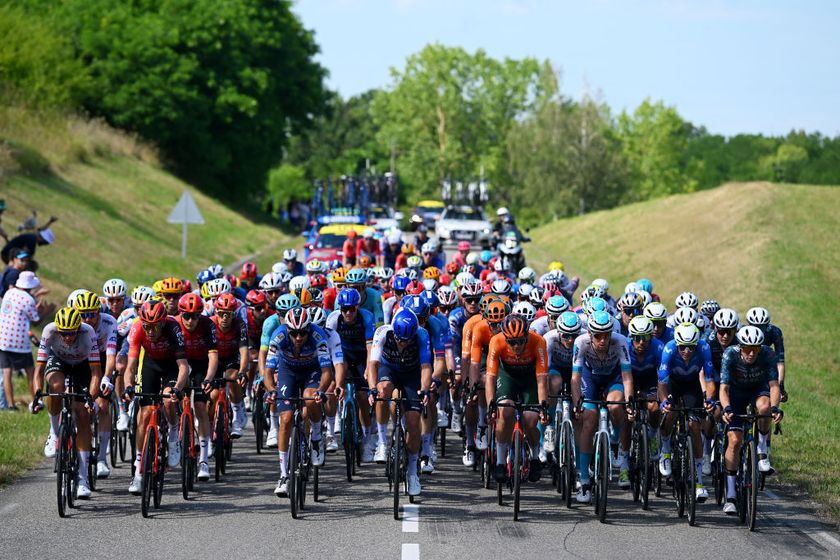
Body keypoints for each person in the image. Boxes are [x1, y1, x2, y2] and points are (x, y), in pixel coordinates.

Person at [32, 307, 102, 499]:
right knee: (55, 387)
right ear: (58, 329)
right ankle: (54, 432)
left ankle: (82, 478)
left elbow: (96, 372)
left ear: (78, 329)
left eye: (72, 332)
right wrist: (37, 395)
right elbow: (38, 371)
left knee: (82, 413)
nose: (68, 337)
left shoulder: (88, 332)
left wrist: (91, 398)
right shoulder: (49, 331)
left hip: (82, 365)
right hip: (59, 361)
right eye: (64, 333)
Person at [262, 308, 332, 497]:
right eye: (294, 333)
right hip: (288, 371)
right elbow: (268, 372)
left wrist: (321, 391)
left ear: (309, 329)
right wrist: (270, 390)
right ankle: (284, 475)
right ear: (288, 329)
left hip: (312, 371)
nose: (299, 337)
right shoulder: (279, 336)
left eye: (303, 332)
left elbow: (327, 372)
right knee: (285, 419)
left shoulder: (318, 335)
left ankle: (317, 437)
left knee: (310, 398)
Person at [123, 300, 190, 495]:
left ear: (162, 322)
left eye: (155, 326)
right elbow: (131, 366)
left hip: (171, 365)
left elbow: (183, 366)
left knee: (168, 400)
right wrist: (128, 386)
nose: (151, 331)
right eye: (147, 326)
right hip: (151, 365)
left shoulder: (173, 328)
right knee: (145, 415)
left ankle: (173, 436)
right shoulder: (137, 329)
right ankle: (138, 469)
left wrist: (178, 388)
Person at [366, 308, 433, 497]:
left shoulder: (421, 334)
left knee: (413, 421)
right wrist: (372, 388)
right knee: (383, 389)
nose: (402, 344)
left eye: (407, 340)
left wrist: (425, 389)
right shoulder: (383, 333)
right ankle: (382, 441)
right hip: (390, 369)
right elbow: (373, 364)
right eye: (399, 340)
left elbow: (426, 366)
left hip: (412, 373)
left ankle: (413, 472)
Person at [571, 310, 634, 503]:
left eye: (606, 335)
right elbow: (575, 378)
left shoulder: (620, 341)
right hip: (591, 378)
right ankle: (584, 480)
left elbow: (627, 377)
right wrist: (577, 404)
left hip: (613, 377)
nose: (602, 340)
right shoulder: (580, 342)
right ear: (590, 333)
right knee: (589, 419)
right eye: (597, 335)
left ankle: (614, 441)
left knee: (616, 406)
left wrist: (629, 403)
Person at [719, 325, 783, 514]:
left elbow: (774, 385)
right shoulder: (730, 354)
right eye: (747, 348)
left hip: (758, 389)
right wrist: (727, 408)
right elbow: (724, 388)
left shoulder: (768, 354)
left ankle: (761, 450)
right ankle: (730, 495)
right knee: (735, 441)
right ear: (740, 347)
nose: (751, 353)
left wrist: (775, 408)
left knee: (764, 407)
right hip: (736, 394)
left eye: (755, 349)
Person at [486, 315, 550, 483]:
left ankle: (535, 457)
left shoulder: (538, 342)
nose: (517, 346)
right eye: (512, 342)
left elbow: (542, 379)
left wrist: (543, 407)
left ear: (527, 336)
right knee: (505, 411)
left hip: (530, 380)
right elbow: (491, 377)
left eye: (521, 341)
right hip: (507, 377)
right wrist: (491, 405)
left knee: (530, 420)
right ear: (505, 339)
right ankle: (500, 462)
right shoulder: (497, 341)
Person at [657, 322, 716, 503]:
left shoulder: (704, 347)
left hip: (692, 386)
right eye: (683, 347)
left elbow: (709, 379)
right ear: (677, 343)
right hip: (672, 383)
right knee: (671, 412)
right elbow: (661, 383)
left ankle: (698, 481)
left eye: (691, 347)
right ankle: (666, 449)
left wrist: (709, 400)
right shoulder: (669, 349)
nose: (687, 351)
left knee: (695, 426)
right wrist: (664, 402)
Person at [176, 292, 219, 481]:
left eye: (195, 316)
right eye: (186, 315)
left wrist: (209, 378)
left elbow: (213, 356)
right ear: (180, 314)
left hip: (201, 364)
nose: (191, 320)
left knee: (201, 407)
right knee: (172, 399)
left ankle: (203, 460)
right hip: (179, 364)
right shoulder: (174, 324)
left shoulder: (208, 325)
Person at [0, 271, 42, 409]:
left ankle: (11, 405)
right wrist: (45, 310)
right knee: (31, 371)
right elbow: (35, 320)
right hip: (19, 342)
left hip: (3, 339)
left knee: (7, 372)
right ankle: (35, 402)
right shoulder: (28, 299)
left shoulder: (9, 292)